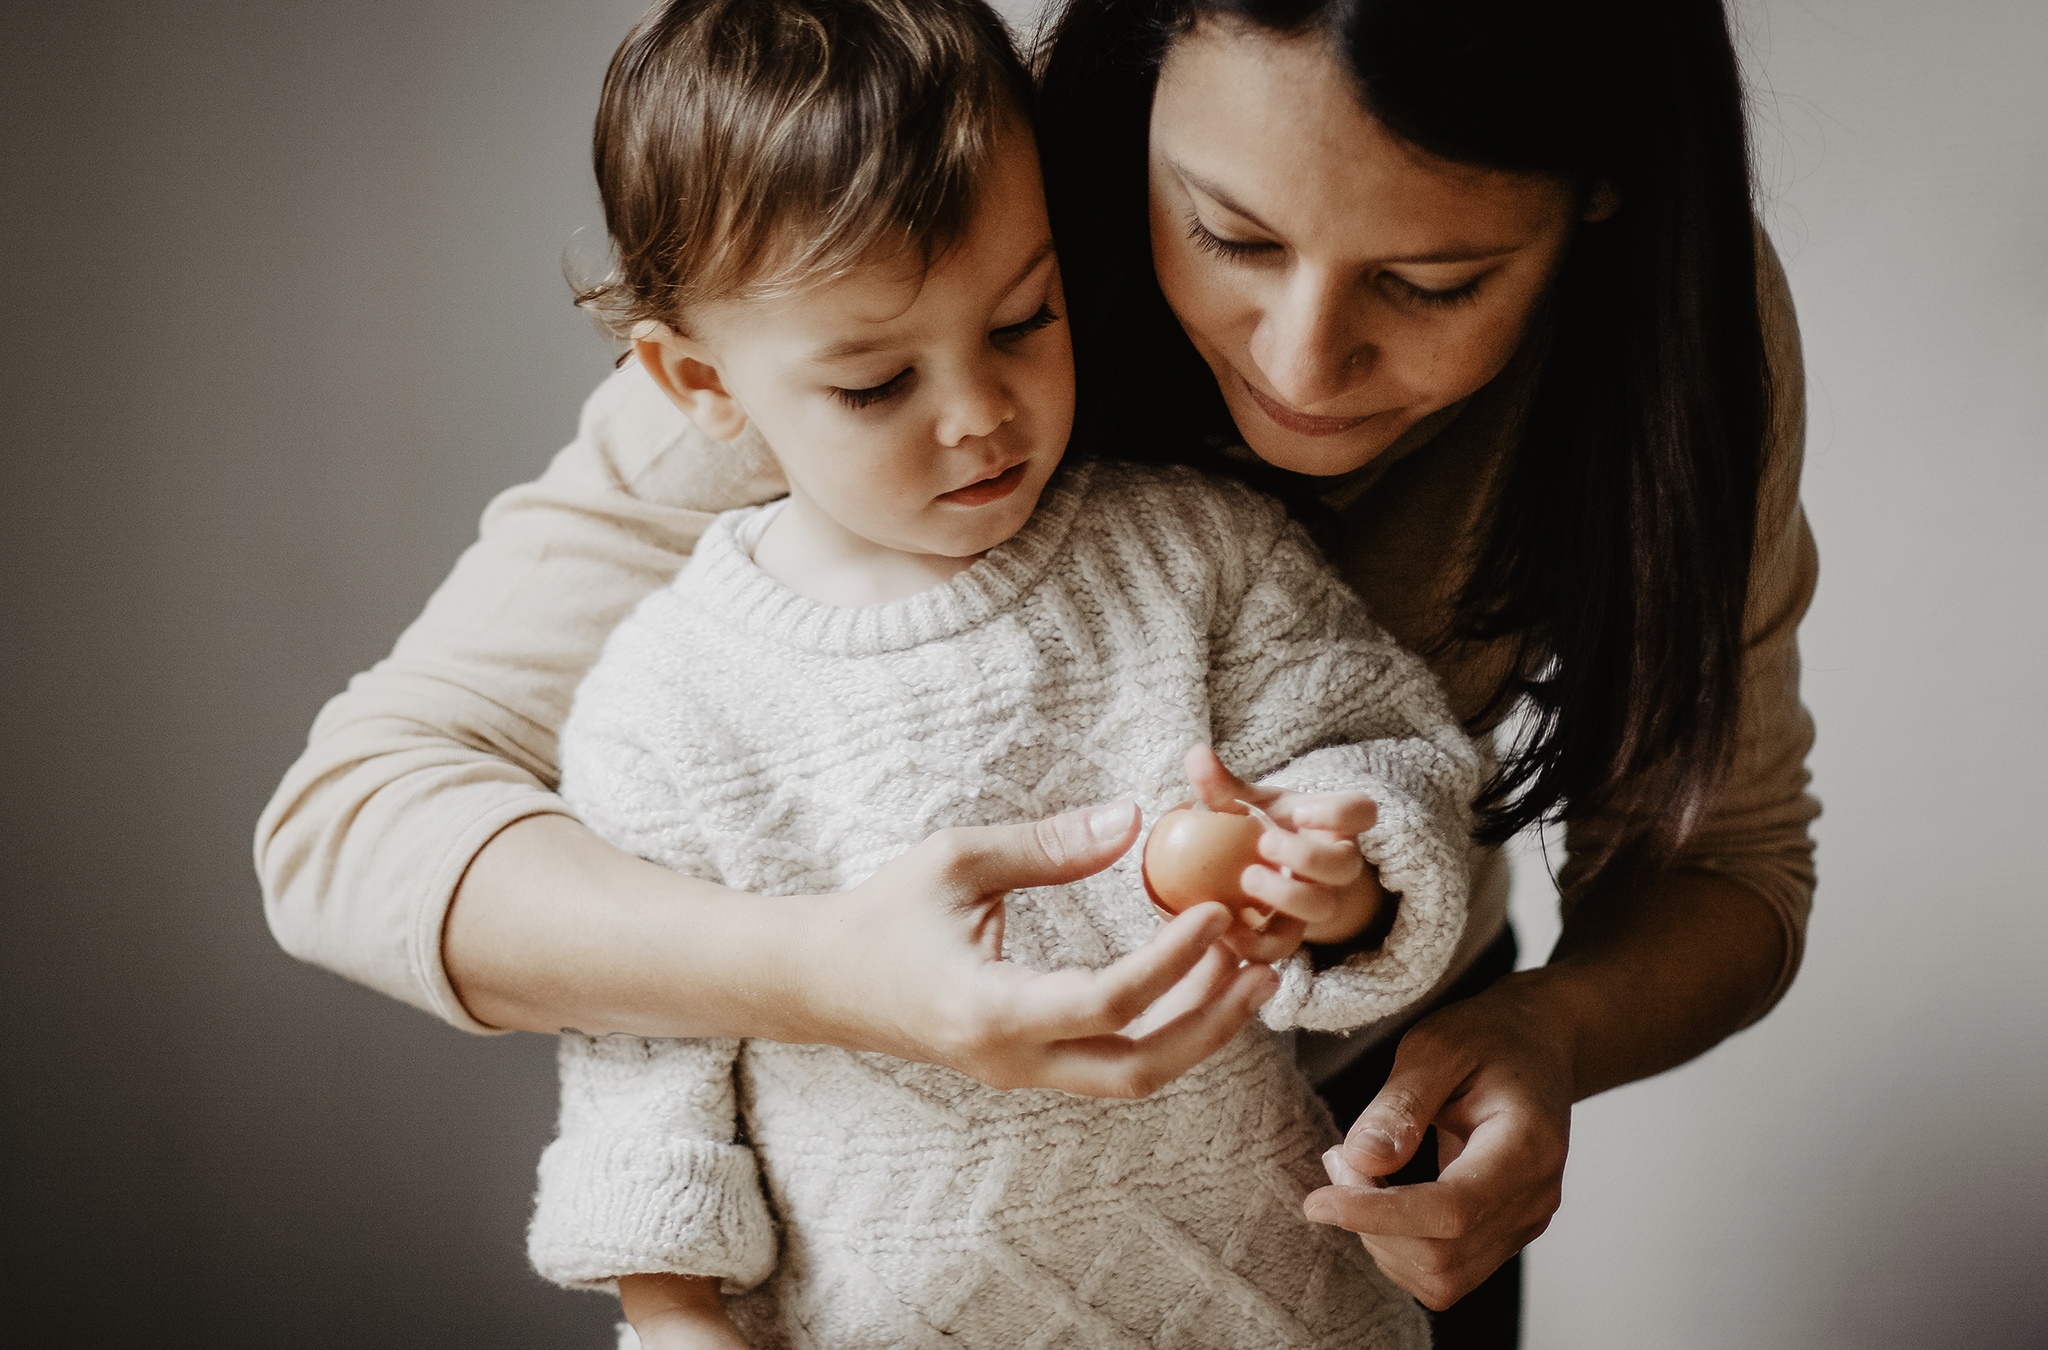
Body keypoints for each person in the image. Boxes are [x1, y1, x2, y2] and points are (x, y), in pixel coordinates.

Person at [255, 0, 1818, 1343]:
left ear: (1600, 201)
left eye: (1432, 281)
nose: (1297, 357)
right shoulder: (885, 262)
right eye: (1227, 233)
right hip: (894, 1258)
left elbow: (1732, 860)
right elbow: (351, 830)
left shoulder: (1658, 336)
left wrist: (1549, 1029)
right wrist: (822, 980)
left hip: (1349, 1186)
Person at [523, 9, 1486, 1345]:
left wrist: (1340, 869)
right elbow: (643, 1054)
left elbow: (1385, 748)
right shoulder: (668, 704)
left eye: (1026, 319)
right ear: (700, 380)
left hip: (1259, 1305)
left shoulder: (1189, 553)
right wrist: (674, 1309)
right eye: (874, 384)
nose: (981, 411)